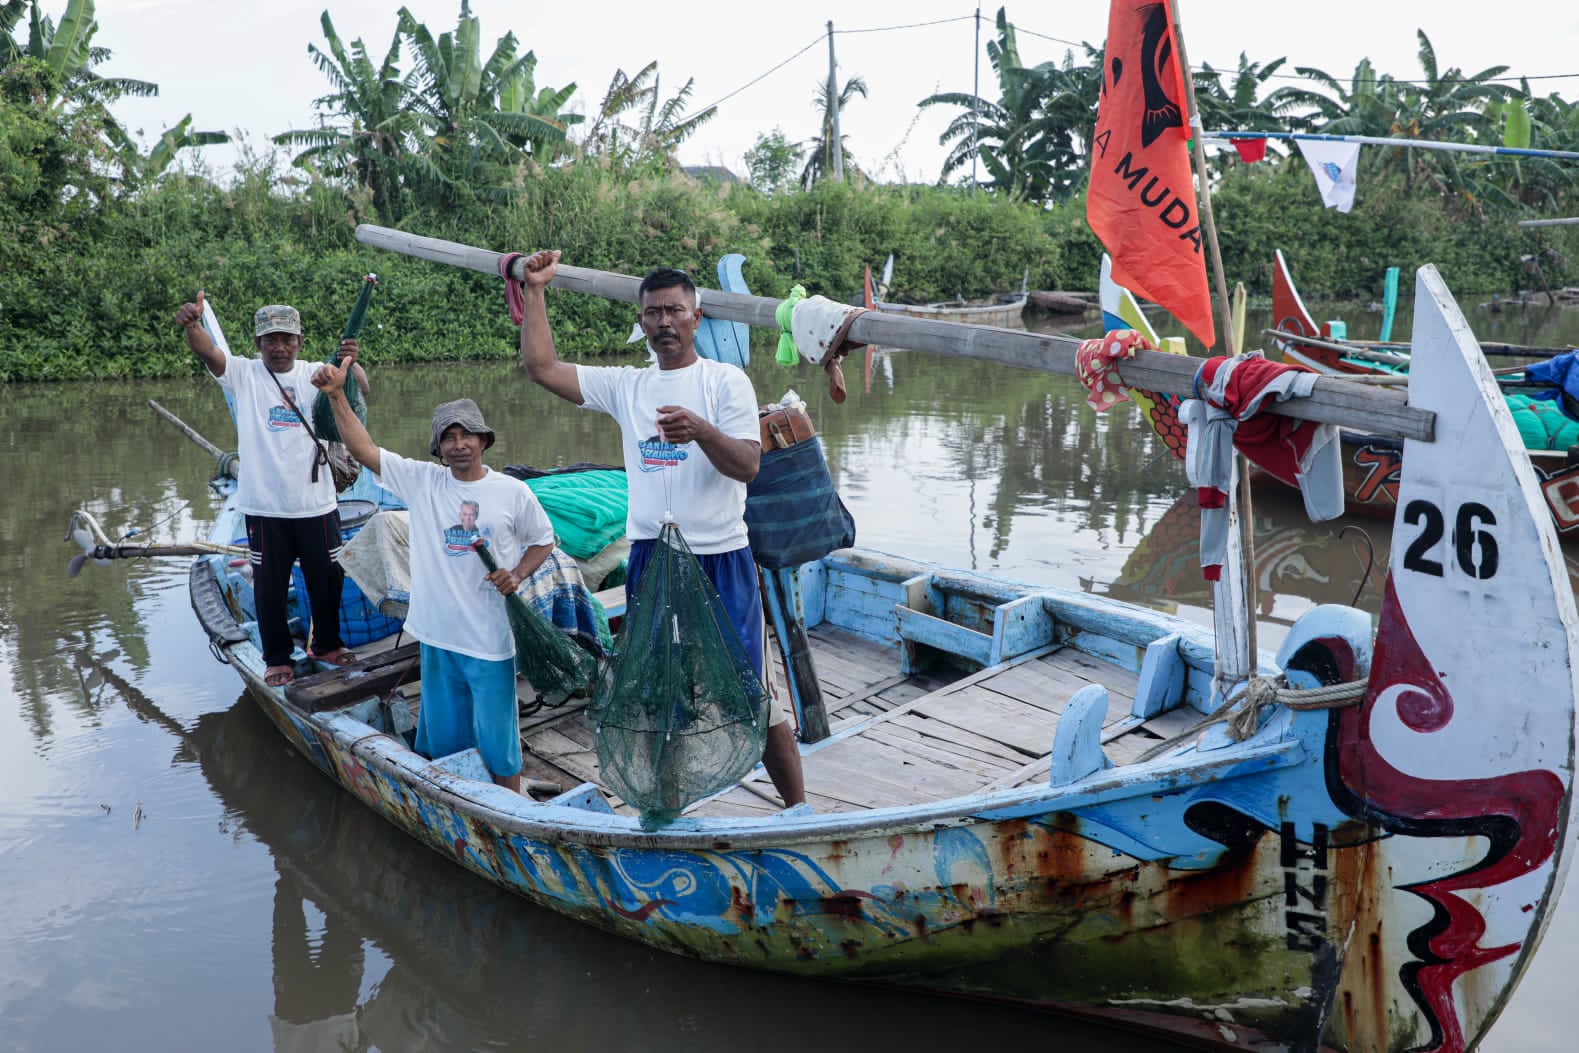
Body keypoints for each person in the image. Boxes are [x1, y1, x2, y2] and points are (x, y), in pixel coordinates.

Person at [515, 250, 807, 808]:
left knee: (753, 693)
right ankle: (666, 804)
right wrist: (535, 290)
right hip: (653, 558)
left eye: (675, 310)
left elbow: (748, 465)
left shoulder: (726, 383)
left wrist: (700, 430)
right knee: (657, 691)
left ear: (696, 318)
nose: (664, 322)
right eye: (653, 313)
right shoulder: (628, 386)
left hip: (721, 557)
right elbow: (542, 368)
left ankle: (799, 809)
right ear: (642, 322)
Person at [314, 364, 555, 794]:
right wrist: (336, 395)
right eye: (449, 437)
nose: (459, 444)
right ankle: (459, 803)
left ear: (483, 440)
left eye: (467, 435)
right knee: (447, 744)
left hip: (490, 641)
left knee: (501, 745)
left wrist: (517, 574)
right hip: (439, 638)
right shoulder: (423, 482)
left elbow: (543, 541)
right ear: (438, 447)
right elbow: (365, 449)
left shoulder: (513, 492)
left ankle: (512, 807)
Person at [174, 292, 367, 688]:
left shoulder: (316, 373)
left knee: (328, 579)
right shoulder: (244, 374)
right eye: (271, 340)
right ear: (258, 343)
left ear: (299, 341)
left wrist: (350, 362)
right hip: (265, 508)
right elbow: (210, 353)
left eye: (287, 339)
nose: (279, 347)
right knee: (269, 587)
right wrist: (193, 326)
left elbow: (357, 390)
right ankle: (277, 657)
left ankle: (327, 644)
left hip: (317, 503)